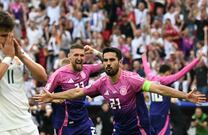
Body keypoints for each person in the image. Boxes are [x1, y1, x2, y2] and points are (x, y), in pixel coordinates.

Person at [33, 47, 206, 134]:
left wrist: (185, 96)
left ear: (120, 62)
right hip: (120, 129)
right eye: (105, 60)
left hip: (139, 129)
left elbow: (158, 88)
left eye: (111, 60)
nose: (107, 63)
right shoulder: (101, 83)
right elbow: (77, 93)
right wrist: (52, 96)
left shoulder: (132, 79)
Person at [0, 11, 47, 135]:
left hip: (26, 123)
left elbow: (43, 77)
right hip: (2, 127)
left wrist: (21, 55)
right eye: (3, 35)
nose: (7, 39)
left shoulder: (16, 51)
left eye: (9, 35)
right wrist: (8, 58)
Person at [43, 43, 103, 135]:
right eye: (76, 55)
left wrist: (95, 52)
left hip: (84, 122)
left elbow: (109, 64)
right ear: (69, 57)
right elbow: (44, 96)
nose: (79, 58)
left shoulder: (87, 69)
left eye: (82, 55)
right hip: (65, 125)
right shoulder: (58, 74)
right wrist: (54, 99)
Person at [142, 53, 203, 135]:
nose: (170, 74)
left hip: (152, 114)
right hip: (162, 115)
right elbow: (182, 72)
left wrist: (144, 59)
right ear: (166, 72)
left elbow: (147, 69)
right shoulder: (166, 80)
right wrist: (196, 60)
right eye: (169, 73)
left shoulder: (151, 77)